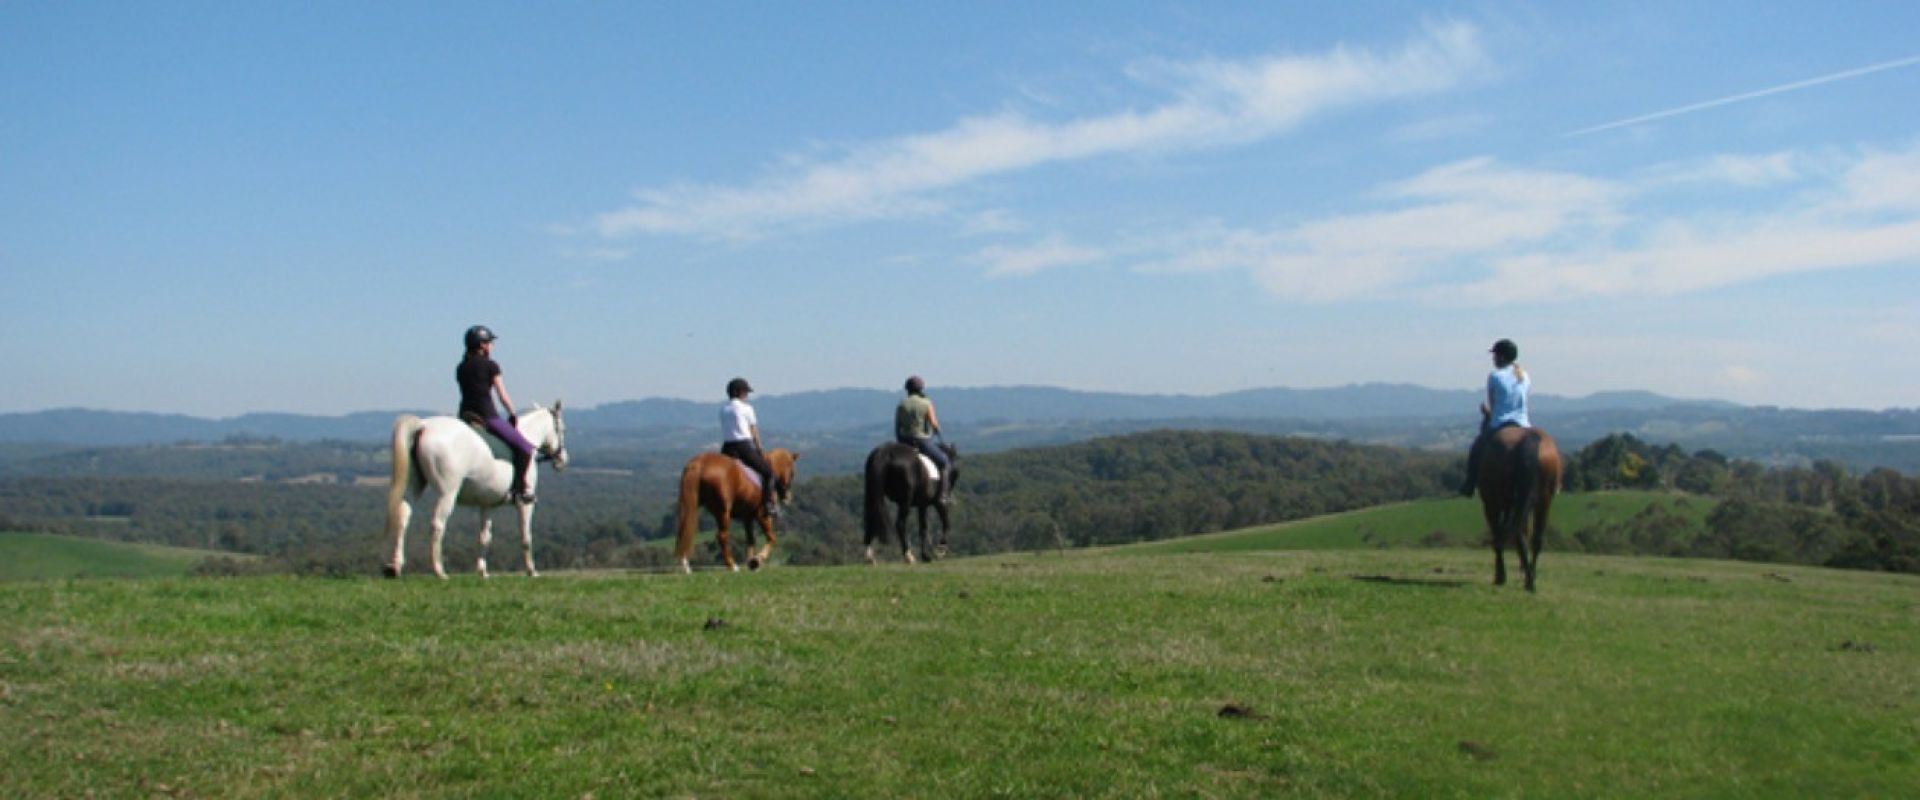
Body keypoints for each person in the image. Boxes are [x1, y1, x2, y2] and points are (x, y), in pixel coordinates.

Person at [457, 325, 537, 504]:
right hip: (487, 416)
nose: (492, 346)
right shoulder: (491, 365)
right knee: (525, 449)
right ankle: (518, 490)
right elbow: (502, 395)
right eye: (490, 343)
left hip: (465, 415)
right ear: (482, 345)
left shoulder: (461, 367)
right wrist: (512, 413)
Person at [1461, 338, 1531, 496]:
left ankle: (1470, 483)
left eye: (1495, 355)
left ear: (1502, 357)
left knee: (1477, 447)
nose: (1493, 359)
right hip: (1524, 424)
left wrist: (1487, 412)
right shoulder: (1524, 376)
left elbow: (1493, 407)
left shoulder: (1495, 376)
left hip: (1501, 423)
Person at [719, 377, 780, 517]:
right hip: (743, 446)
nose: (747, 395)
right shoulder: (747, 408)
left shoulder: (723, 409)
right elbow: (753, 431)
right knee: (769, 473)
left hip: (726, 448)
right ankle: (769, 505)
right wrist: (759, 448)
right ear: (738, 392)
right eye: (745, 392)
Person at [895, 375, 953, 507]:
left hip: (904, 441)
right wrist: (938, 432)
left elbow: (897, 427)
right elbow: (934, 424)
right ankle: (943, 496)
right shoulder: (926, 403)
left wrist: (900, 441)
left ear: (907, 389)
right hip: (921, 441)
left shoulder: (901, 404)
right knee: (944, 462)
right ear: (921, 389)